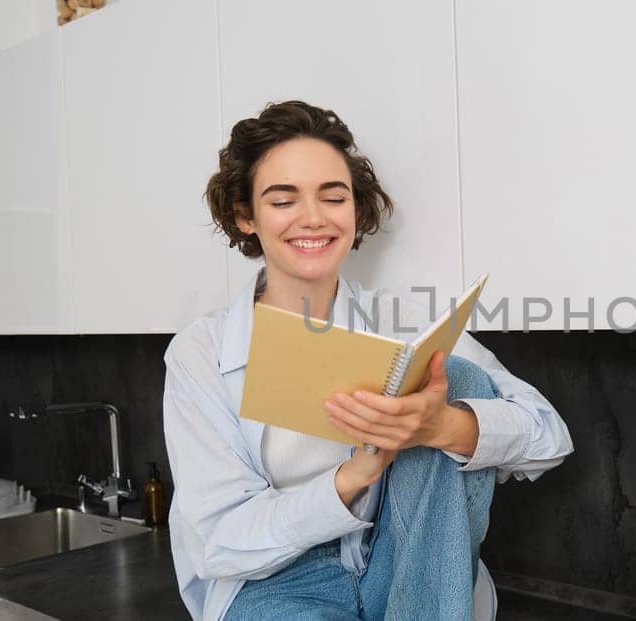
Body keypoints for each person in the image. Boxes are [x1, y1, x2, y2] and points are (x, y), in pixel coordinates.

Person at [163, 100, 574, 620]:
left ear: (356, 210)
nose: (313, 217)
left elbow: (549, 437)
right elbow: (219, 542)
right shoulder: (200, 353)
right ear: (245, 216)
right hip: (275, 583)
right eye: (283, 200)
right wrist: (355, 476)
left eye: (333, 197)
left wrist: (440, 426)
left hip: (409, 566)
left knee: (460, 378)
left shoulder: (402, 323)